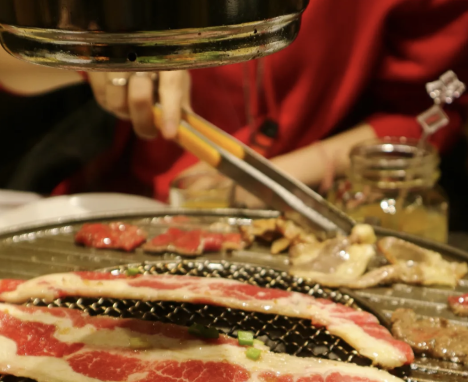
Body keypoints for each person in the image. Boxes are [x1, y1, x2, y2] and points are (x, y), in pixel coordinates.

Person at [3, 0, 468, 202]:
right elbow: (11, 61)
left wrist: (275, 179)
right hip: (129, 201)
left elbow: (434, 109)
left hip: (315, 205)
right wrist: (99, 54)